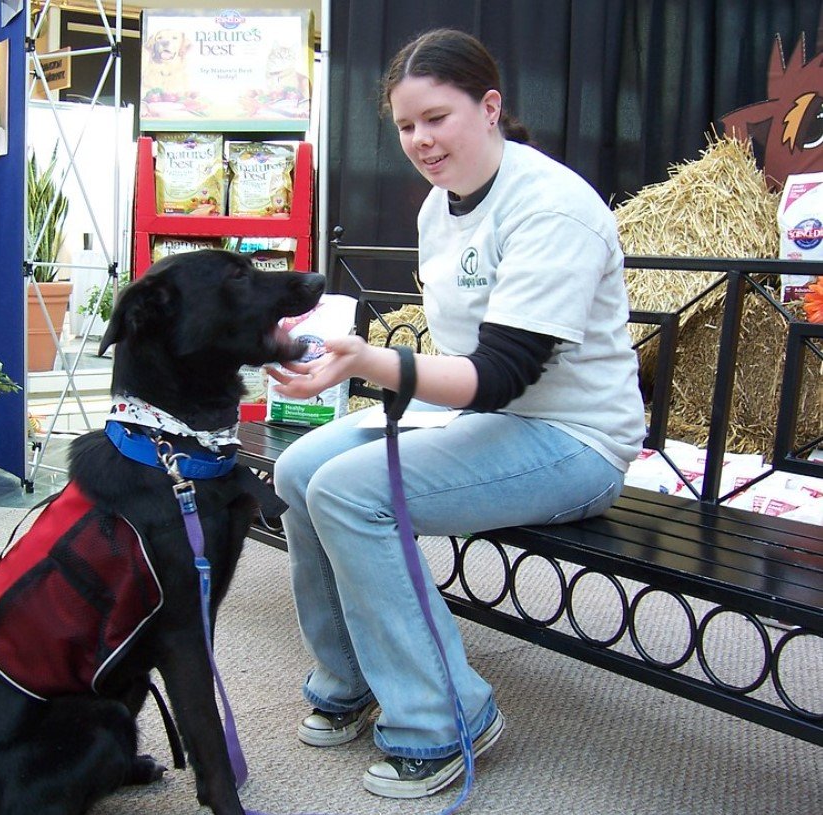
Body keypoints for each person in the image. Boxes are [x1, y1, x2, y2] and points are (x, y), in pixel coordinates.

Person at [269, 28, 645, 800]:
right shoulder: (439, 209)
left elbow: (502, 375)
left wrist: (372, 362)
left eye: (436, 118)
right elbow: (464, 362)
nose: (420, 141)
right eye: (406, 126)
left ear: (491, 106)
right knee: (301, 465)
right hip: (488, 423)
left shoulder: (552, 207)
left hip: (574, 440)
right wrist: (351, 357)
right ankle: (351, 680)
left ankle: (445, 717)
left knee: (351, 491)